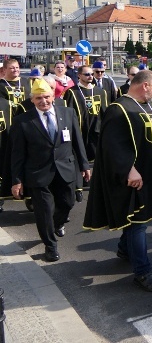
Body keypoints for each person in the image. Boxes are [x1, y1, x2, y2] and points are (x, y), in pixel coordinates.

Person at [83, 70, 152, 291]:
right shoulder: (118, 109)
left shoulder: (147, 106)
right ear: (145, 86)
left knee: (134, 219)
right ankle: (142, 272)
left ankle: (124, 249)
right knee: (138, 223)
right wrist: (128, 169)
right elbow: (112, 146)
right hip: (133, 178)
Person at [10, 79, 91, 262]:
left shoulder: (68, 113)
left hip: (66, 168)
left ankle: (56, 224)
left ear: (53, 96)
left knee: (68, 203)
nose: (43, 101)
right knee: (44, 211)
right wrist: (17, 180)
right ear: (32, 100)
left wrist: (85, 165)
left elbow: (78, 142)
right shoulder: (23, 121)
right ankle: (50, 245)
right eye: (38, 98)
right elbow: (17, 154)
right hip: (38, 174)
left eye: (46, 97)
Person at [64, 65, 108, 162]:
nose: (91, 76)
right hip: (81, 129)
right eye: (87, 74)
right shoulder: (72, 92)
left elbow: (104, 111)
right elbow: (68, 112)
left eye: (92, 74)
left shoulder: (100, 92)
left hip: (96, 129)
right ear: (79, 75)